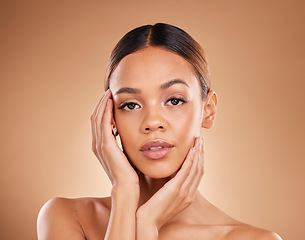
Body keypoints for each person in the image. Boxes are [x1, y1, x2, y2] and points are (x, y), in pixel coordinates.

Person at [37, 23, 282, 240]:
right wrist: (124, 193)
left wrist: (147, 223)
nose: (152, 122)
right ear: (110, 118)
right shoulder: (68, 218)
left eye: (174, 100)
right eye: (130, 105)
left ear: (208, 110)